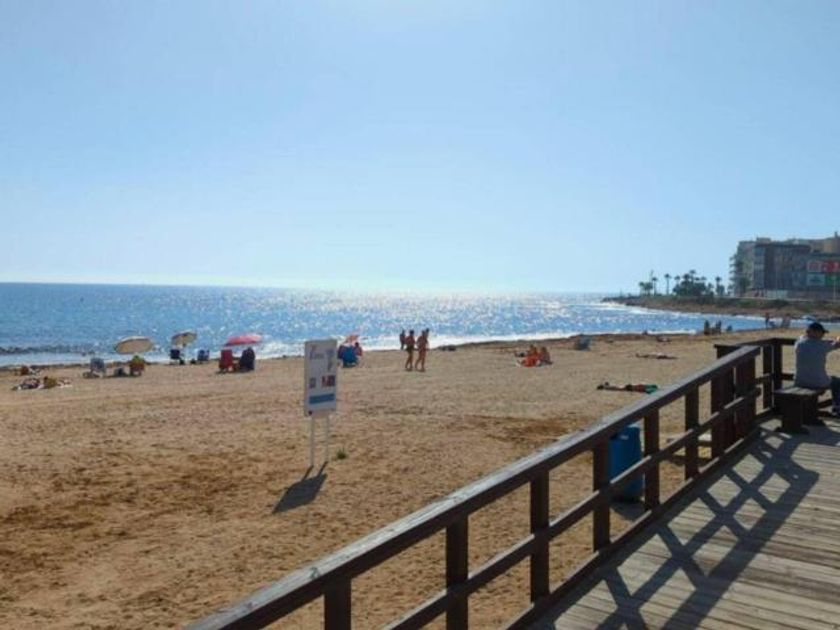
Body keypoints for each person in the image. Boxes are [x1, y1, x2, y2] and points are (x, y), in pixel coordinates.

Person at [794, 321, 840, 415]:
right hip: (818, 382)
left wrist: (805, 336)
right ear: (815, 332)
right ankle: (837, 407)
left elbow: (800, 338)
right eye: (822, 332)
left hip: (799, 381)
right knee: (837, 382)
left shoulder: (799, 344)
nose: (823, 335)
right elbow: (837, 344)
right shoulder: (823, 345)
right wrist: (838, 338)